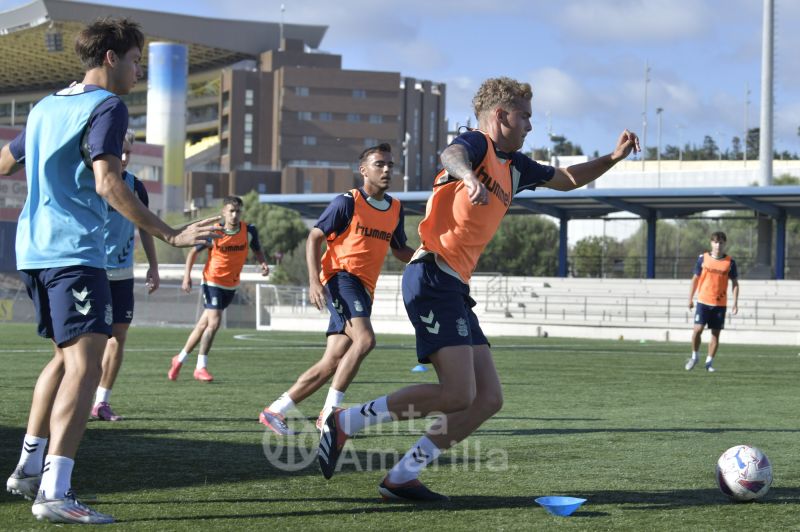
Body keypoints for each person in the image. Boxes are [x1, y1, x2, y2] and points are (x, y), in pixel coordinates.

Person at [317, 77, 640, 501]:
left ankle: (401, 477)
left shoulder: (516, 165)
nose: (529, 125)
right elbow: (451, 154)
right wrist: (468, 177)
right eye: (524, 116)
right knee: (458, 393)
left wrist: (613, 158)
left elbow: (566, 178)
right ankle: (346, 422)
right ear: (501, 116)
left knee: (486, 399)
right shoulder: (475, 145)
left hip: (454, 287)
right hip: (431, 276)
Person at [0, 18, 221, 524]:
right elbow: (107, 182)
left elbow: (5, 163)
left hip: (33, 252)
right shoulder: (108, 107)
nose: (138, 71)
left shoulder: (44, 107)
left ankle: (29, 467)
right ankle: (55, 492)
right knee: (84, 367)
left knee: (63, 360)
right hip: (75, 253)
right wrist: (172, 234)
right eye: (135, 60)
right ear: (111, 58)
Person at [260, 143, 414, 435]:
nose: (386, 170)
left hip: (364, 290)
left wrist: (427, 255)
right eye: (379, 164)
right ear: (363, 170)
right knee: (366, 340)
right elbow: (314, 237)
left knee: (331, 361)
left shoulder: (396, 208)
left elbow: (400, 249)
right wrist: (314, 281)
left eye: (390, 165)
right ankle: (330, 414)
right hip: (341, 279)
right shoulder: (347, 202)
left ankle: (275, 410)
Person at [91, 129, 160, 421]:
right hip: (90, 271)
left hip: (122, 275)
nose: (123, 157)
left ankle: (101, 402)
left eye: (128, 152)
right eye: (118, 151)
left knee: (118, 337)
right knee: (87, 341)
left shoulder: (136, 187)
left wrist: (153, 266)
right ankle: (76, 396)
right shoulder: (90, 183)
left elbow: (145, 226)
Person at [167, 195, 269, 382]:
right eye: (231, 211)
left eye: (237, 211)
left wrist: (263, 263)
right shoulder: (215, 232)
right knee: (214, 323)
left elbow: (257, 249)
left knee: (203, 325)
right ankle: (201, 366)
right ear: (223, 212)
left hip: (231, 284)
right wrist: (186, 276)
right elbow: (192, 252)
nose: (234, 215)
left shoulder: (249, 230)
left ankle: (179, 359)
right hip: (212, 281)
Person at [685, 231, 739, 372]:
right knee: (697, 330)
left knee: (715, 334)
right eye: (715, 242)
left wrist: (735, 302)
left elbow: (735, 283)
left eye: (721, 242)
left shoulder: (730, 262)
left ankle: (709, 363)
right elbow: (695, 279)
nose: (718, 245)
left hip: (720, 304)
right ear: (711, 243)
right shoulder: (703, 258)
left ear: (724, 244)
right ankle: (694, 356)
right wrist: (690, 298)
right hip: (703, 301)